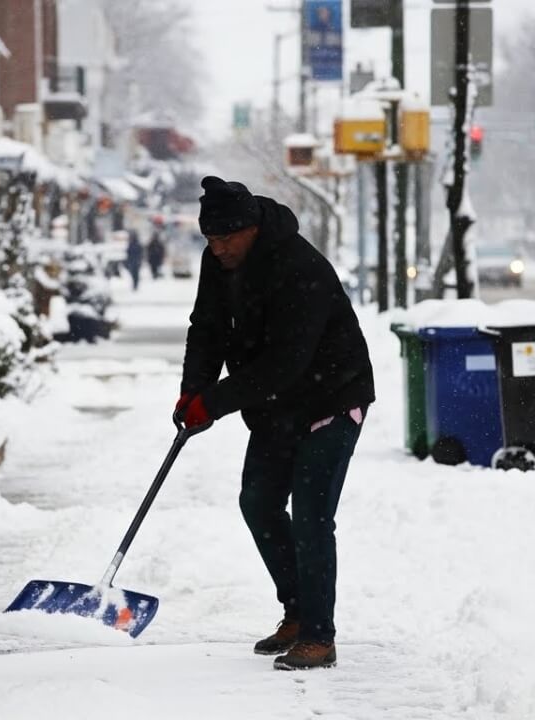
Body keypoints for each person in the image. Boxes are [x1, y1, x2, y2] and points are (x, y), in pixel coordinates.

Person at [174, 176, 375, 671]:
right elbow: (208, 328)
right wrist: (192, 389)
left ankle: (319, 636)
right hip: (276, 405)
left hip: (331, 397)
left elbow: (287, 361)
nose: (217, 249)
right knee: (259, 502)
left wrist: (215, 402)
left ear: (252, 228)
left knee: (310, 514)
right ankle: (297, 610)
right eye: (210, 240)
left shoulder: (298, 265)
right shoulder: (218, 263)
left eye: (226, 239)